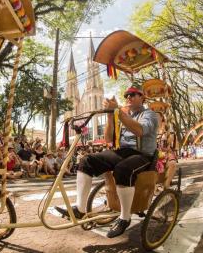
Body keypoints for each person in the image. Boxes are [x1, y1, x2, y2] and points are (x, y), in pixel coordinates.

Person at [55, 86, 158, 238]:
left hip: (143, 155)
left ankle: (125, 218)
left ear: (142, 97)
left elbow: (140, 131)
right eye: (126, 95)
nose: (128, 97)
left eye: (133, 94)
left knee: (123, 169)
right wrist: (111, 116)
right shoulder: (124, 114)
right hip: (124, 152)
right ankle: (80, 209)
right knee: (86, 161)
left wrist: (117, 112)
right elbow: (109, 139)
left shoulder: (149, 114)